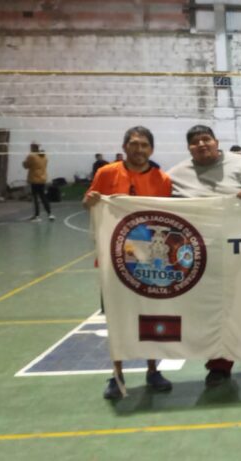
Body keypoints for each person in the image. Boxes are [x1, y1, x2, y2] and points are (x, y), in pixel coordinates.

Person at [167, 125, 241, 387]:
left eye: (206, 139)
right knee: (214, 314)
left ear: (216, 142)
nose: (202, 144)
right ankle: (219, 366)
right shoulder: (175, 176)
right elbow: (152, 204)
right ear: (189, 148)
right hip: (203, 259)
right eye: (195, 142)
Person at [83, 126, 174, 400]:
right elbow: (88, 203)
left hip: (149, 262)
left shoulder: (162, 179)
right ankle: (117, 374)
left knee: (151, 315)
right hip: (115, 259)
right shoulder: (106, 173)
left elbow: (167, 217)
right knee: (117, 317)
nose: (139, 149)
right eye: (134, 144)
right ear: (125, 147)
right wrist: (90, 200)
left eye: (144, 145)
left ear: (152, 149)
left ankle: (153, 370)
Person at [23, 143, 53, 222]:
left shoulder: (31, 156)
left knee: (35, 198)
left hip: (34, 179)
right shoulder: (44, 156)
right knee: (43, 197)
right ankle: (50, 214)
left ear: (33, 147)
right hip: (42, 179)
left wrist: (24, 162)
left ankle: (36, 216)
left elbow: (25, 165)